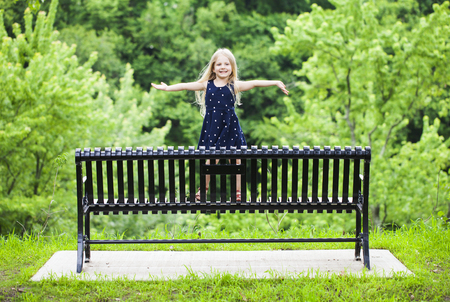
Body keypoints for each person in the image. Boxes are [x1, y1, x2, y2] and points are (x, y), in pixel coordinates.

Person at [151, 48, 289, 201]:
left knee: (237, 159)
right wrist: (167, 88)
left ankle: (238, 192)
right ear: (213, 67)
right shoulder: (206, 85)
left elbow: (255, 83)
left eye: (226, 64)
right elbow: (184, 86)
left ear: (232, 67)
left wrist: (275, 82)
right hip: (213, 127)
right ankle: (202, 190)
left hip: (230, 126)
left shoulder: (234, 85)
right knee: (211, 159)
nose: (223, 67)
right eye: (219, 64)